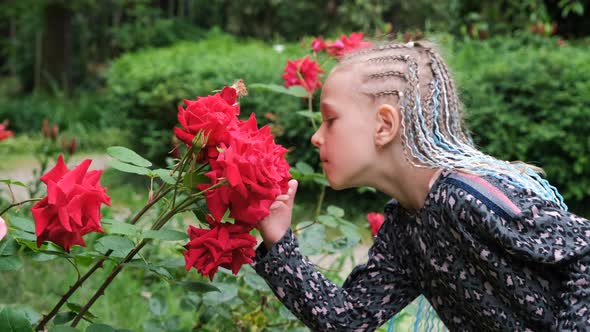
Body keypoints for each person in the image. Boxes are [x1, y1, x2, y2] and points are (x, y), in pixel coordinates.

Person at [252, 40, 590, 332]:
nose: (316, 136)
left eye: (331, 120)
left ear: (384, 126)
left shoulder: (465, 196)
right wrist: (279, 242)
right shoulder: (406, 227)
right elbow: (347, 319)